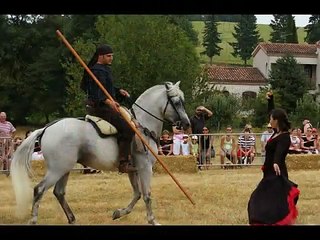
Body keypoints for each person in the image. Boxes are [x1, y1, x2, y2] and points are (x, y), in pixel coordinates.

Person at [247, 91, 300, 225]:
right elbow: (272, 112)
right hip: (269, 172)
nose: (269, 121)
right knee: (268, 198)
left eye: (271, 119)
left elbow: (280, 151)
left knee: (262, 198)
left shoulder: (284, 137)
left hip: (277, 172)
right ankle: (266, 218)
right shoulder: (277, 132)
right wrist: (270, 100)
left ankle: (271, 219)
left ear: (277, 121)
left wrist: (276, 162)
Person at [81, 44, 135, 173]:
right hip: (100, 108)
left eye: (112, 56)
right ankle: (123, 162)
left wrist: (118, 91)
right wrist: (107, 101)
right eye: (109, 56)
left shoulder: (104, 69)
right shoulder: (95, 71)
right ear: (101, 56)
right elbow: (95, 92)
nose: (111, 58)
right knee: (127, 128)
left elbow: (106, 88)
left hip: (107, 104)